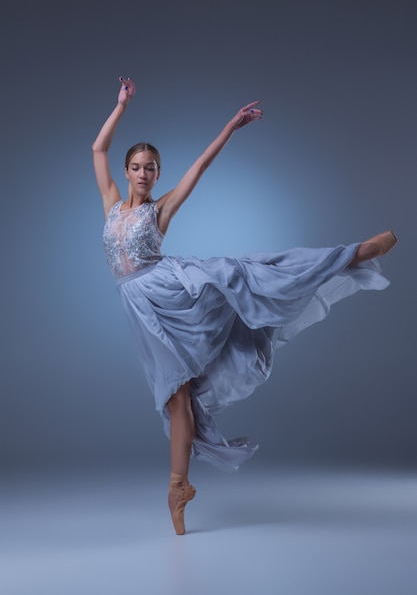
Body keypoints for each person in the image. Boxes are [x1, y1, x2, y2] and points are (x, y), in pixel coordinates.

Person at [92, 76, 397, 535]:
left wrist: (230, 128)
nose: (142, 173)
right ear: (127, 169)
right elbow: (98, 151)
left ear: (157, 174)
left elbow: (200, 166)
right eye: (136, 166)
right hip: (141, 309)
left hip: (174, 292)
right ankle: (179, 488)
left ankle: (351, 254)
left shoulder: (160, 210)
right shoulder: (111, 205)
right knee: (177, 399)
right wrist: (120, 106)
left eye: (150, 167)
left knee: (248, 273)